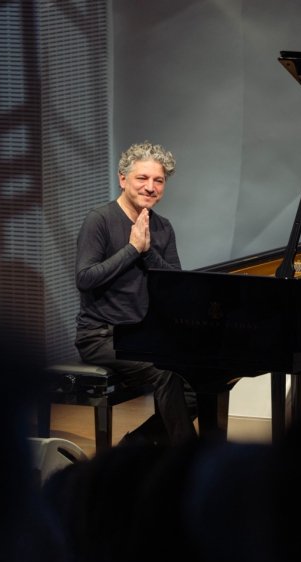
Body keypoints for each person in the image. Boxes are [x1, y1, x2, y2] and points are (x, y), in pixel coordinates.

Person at [74, 141, 196, 445]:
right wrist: (132, 249)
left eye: (158, 180)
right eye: (142, 178)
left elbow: (175, 285)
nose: (150, 187)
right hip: (101, 336)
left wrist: (146, 250)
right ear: (123, 179)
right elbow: (85, 278)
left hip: (144, 337)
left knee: (198, 380)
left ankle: (135, 446)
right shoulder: (100, 219)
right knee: (166, 373)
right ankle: (189, 458)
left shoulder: (163, 227)